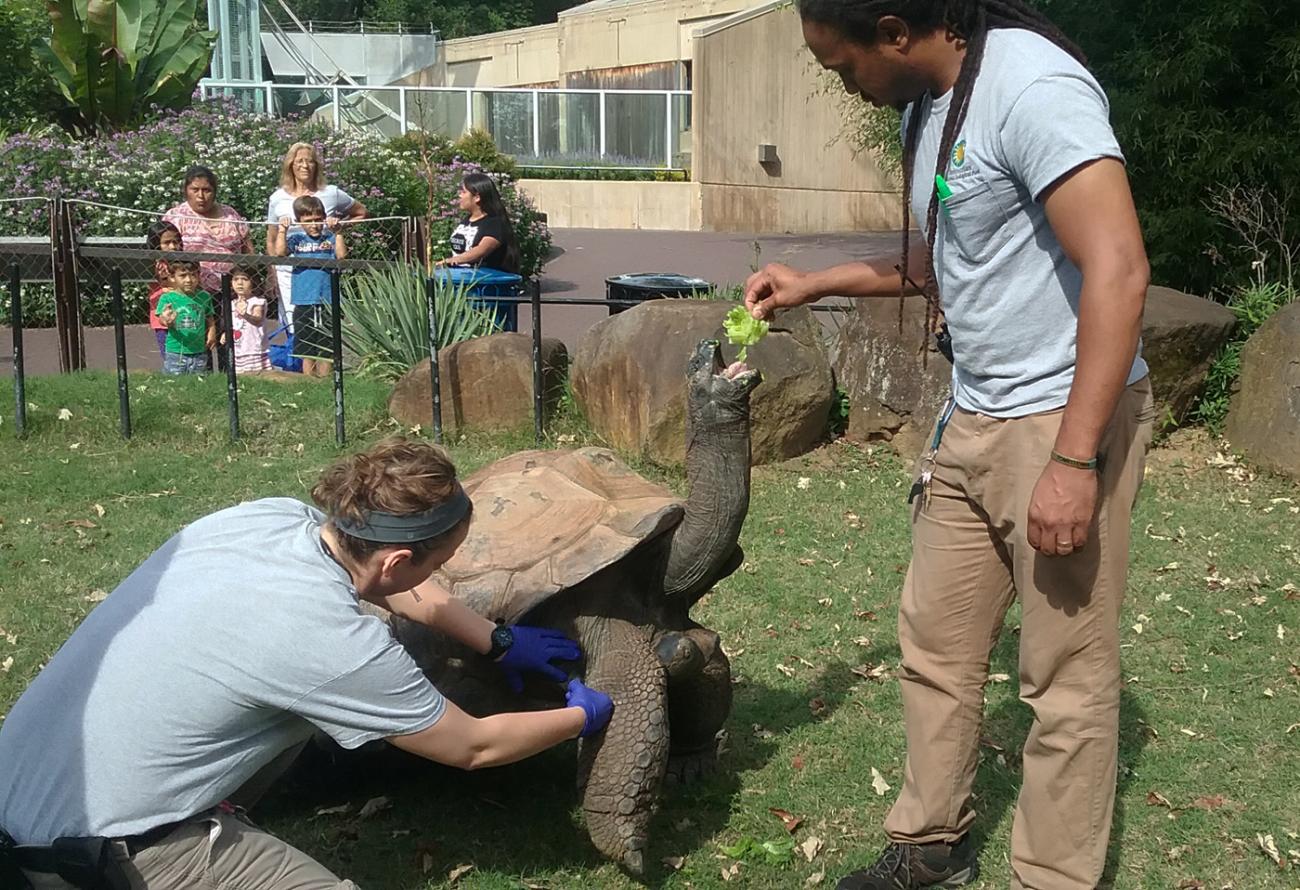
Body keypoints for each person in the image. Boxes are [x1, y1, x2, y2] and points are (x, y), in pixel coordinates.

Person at [745, 3, 1154, 889]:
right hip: (973, 415)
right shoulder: (934, 102)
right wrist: (814, 282)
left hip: (1060, 419)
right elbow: (941, 262)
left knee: (1064, 681)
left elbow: (1120, 267)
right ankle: (931, 847)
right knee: (934, 641)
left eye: (840, 63)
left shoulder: (1032, 87)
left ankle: (1051, 876)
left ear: (894, 31)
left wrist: (1075, 463)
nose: (836, 78)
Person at [0, 437, 613, 890]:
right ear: (399, 559)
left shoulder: (265, 520)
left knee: (282, 719)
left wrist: (495, 640)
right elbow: (473, 746)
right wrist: (580, 717)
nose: (439, 575)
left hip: (20, 787)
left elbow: (385, 584)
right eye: (438, 562)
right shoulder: (336, 647)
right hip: (100, 855)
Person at [266, 142, 368, 331]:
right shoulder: (277, 198)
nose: (305, 166)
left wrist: (338, 228)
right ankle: (298, 360)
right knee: (294, 326)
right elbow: (272, 237)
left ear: (317, 166)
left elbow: (361, 212)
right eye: (300, 161)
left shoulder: (331, 193)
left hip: (322, 271)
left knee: (323, 328)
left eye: (310, 161)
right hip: (289, 271)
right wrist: (272, 272)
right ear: (291, 165)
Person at [270, 195, 346, 379]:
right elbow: (279, 252)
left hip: (327, 300)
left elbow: (342, 256)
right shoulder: (297, 239)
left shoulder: (329, 238)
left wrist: (338, 232)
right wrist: (282, 230)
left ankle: (325, 380)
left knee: (326, 344)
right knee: (305, 343)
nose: (314, 224)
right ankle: (309, 380)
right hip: (303, 300)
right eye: (308, 221)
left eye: (318, 219)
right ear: (299, 221)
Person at [162, 164, 254, 297]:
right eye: (195, 190)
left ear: (214, 191)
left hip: (232, 290)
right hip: (192, 291)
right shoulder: (176, 217)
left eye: (206, 190)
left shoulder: (230, 214)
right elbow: (163, 254)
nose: (201, 196)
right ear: (186, 191)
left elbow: (248, 249)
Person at [439, 172, 520, 274]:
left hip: (483, 283)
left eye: (464, 192)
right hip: (459, 279)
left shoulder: (494, 224)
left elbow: (480, 251)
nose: (459, 195)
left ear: (477, 197)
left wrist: (450, 261)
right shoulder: (466, 220)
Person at [155, 259, 216, 376]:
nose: (189, 280)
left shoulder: (205, 296)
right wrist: (166, 320)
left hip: (199, 350)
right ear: (172, 277)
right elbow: (162, 319)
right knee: (175, 382)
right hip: (176, 351)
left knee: (198, 382)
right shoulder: (167, 298)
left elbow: (210, 317)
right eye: (183, 276)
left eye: (193, 275)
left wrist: (212, 332)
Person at [144, 220, 182, 359]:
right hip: (162, 320)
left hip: (184, 317)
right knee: (170, 357)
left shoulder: (184, 262)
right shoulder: (151, 264)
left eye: (176, 241)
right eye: (166, 243)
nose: (172, 246)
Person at [229, 265, 270, 375]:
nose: (240, 283)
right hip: (238, 348)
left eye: (245, 279)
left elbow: (258, 319)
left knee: (256, 375)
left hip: (253, 348)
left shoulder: (257, 301)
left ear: (253, 282)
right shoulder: (231, 303)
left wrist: (245, 314)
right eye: (236, 279)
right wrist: (225, 333)